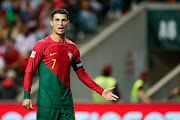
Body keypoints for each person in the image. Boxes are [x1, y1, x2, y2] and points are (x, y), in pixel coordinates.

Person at [22, 9, 119, 120]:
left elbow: (82, 74)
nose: (60, 23)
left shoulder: (73, 48)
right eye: (57, 20)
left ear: (68, 23)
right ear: (51, 22)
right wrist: (26, 96)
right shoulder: (41, 45)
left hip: (66, 104)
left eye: (63, 20)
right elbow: (29, 71)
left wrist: (101, 91)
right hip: (46, 104)